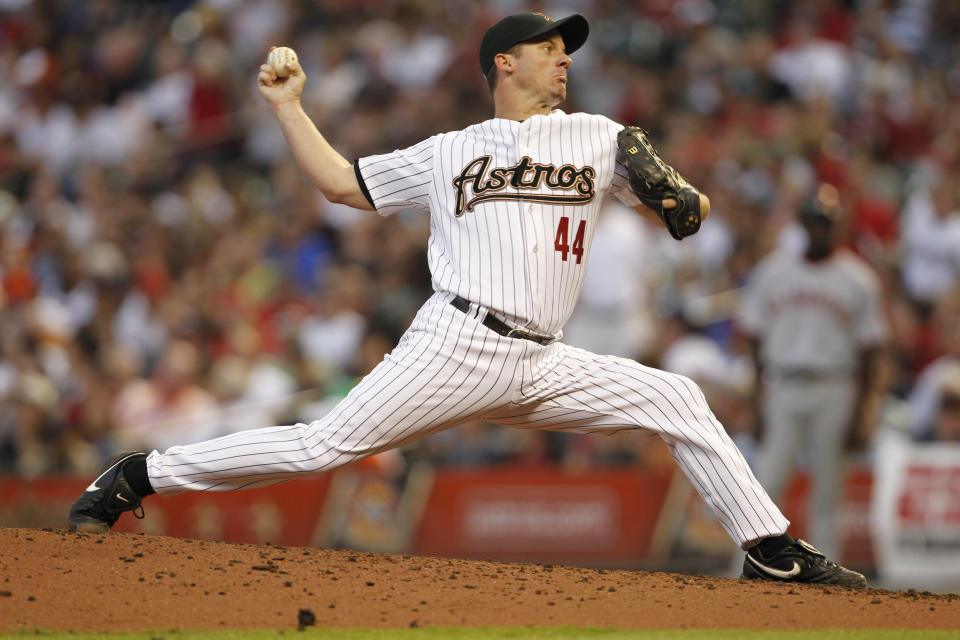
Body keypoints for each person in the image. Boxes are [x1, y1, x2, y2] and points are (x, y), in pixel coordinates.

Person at [69, 13, 866, 587]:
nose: (563, 61)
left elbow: (687, 212)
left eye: (566, 51)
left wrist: (678, 197)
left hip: (541, 359)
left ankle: (768, 545)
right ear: (503, 65)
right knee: (324, 447)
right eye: (547, 49)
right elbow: (344, 184)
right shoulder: (450, 151)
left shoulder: (596, 135)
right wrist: (288, 109)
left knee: (676, 396)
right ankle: (140, 475)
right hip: (455, 343)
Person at [737, 183, 886, 563]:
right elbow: (753, 340)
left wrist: (865, 410)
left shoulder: (858, 278)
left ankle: (828, 572)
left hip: (834, 386)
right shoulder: (774, 271)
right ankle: (752, 565)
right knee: (767, 483)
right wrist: (756, 400)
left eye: (827, 221)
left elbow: (872, 352)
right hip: (783, 384)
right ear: (802, 222)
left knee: (828, 490)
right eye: (814, 220)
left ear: (838, 225)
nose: (820, 228)